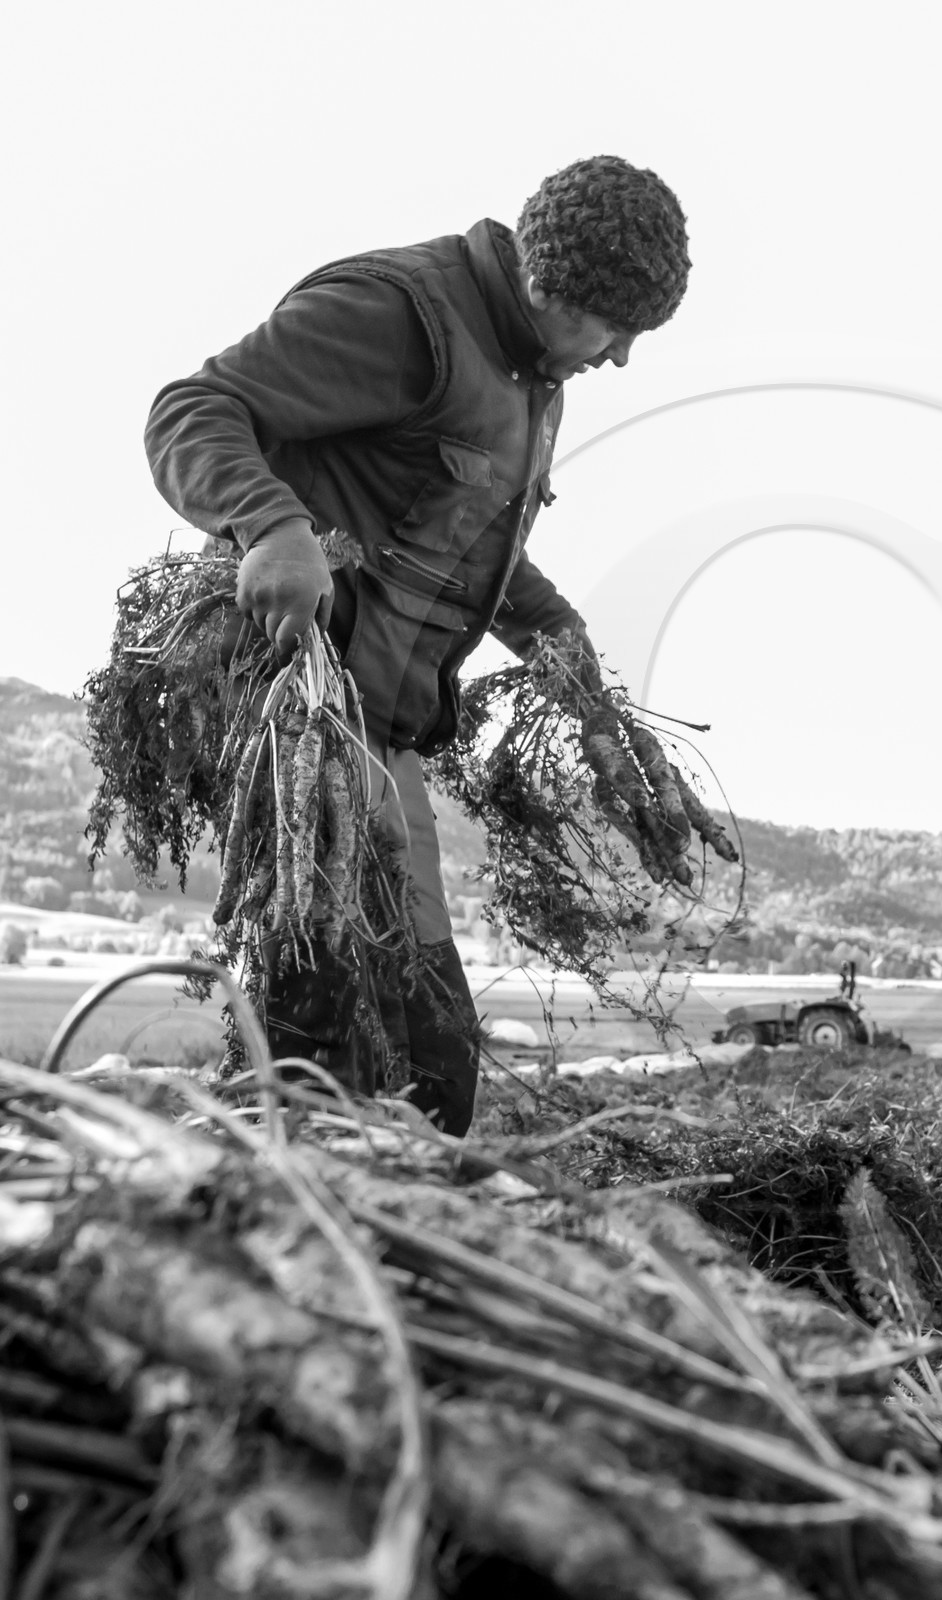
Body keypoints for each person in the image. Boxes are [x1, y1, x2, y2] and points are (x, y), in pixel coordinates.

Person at [145, 155, 694, 1135]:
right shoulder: (402, 313)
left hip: (388, 739)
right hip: (303, 724)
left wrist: (575, 671)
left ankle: (374, 1247)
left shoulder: (531, 379)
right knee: (340, 1052)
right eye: (613, 330)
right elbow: (193, 409)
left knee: (432, 1064)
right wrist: (270, 526)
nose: (617, 358)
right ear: (545, 282)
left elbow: (464, 548)